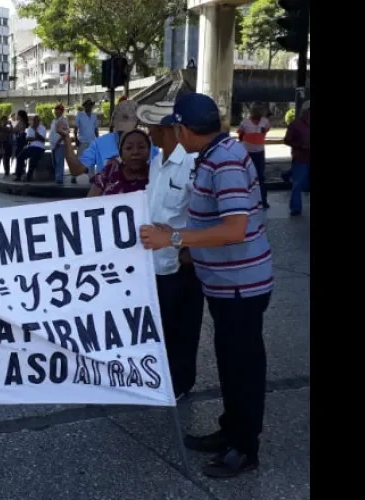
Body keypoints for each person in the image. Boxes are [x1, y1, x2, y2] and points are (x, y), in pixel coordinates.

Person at [140, 93, 274, 479]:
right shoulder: (215, 155)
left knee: (243, 366)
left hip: (240, 286)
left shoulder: (226, 161)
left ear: (181, 129)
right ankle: (231, 431)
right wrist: (178, 234)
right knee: (231, 363)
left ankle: (245, 448)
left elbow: (235, 228)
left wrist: (176, 240)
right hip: (226, 283)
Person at [136, 101, 204, 400]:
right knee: (159, 325)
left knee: (183, 328)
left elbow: (202, 212)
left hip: (181, 262)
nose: (148, 133)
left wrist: (188, 250)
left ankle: (180, 383)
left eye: (153, 127)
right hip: (153, 262)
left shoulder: (193, 164)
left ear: (170, 129)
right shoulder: (155, 162)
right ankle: (159, 376)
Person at [78, 100, 158, 176]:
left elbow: (158, 171)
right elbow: (77, 169)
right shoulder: (99, 143)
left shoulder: (150, 143)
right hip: (84, 140)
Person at [84, 129, 151, 197]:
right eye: (129, 148)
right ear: (121, 153)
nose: (135, 152)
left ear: (149, 151)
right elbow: (89, 202)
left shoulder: (155, 175)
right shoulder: (110, 171)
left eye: (141, 147)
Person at [237, 103, 271, 209]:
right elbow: (241, 136)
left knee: (259, 177)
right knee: (251, 176)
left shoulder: (264, 122)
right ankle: (255, 200)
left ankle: (262, 200)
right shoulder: (245, 123)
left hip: (257, 152)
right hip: (249, 152)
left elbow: (241, 137)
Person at [284, 100, 310, 216]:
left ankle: (287, 174)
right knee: (298, 184)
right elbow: (287, 140)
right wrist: (301, 145)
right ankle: (295, 208)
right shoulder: (295, 124)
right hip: (301, 158)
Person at [72, 99, 99, 184]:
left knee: (91, 159)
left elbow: (96, 129)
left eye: (90, 105)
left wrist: (98, 141)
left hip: (92, 140)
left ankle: (91, 177)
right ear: (84, 106)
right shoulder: (80, 115)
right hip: (82, 140)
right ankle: (76, 176)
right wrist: (76, 139)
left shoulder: (94, 116)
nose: (88, 106)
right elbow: (75, 128)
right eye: (87, 105)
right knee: (80, 159)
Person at [14, 115, 46, 182]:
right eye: (34, 121)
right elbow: (28, 138)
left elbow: (43, 139)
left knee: (33, 160)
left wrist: (35, 131)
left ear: (39, 121)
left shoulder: (43, 128)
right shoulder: (29, 128)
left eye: (37, 121)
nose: (35, 122)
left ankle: (29, 176)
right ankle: (18, 175)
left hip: (40, 148)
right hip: (31, 147)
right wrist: (36, 138)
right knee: (20, 157)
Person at [49, 104, 69, 184]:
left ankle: (59, 179)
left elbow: (66, 132)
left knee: (59, 161)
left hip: (60, 144)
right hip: (53, 144)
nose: (56, 111)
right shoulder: (54, 120)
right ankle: (57, 177)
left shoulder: (64, 120)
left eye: (58, 109)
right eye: (55, 109)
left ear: (61, 111)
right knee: (54, 162)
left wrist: (58, 141)